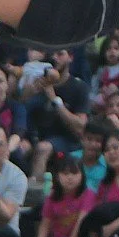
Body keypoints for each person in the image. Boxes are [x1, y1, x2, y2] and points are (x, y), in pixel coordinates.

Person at [23, 48, 90, 183]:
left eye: (60, 54)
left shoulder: (78, 87)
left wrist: (54, 99)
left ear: (70, 57)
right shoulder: (38, 84)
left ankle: (35, 193)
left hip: (67, 140)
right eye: (52, 54)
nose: (54, 58)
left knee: (43, 148)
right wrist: (28, 92)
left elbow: (80, 126)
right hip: (35, 135)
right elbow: (22, 108)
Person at [90, 36, 119, 112]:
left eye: (116, 48)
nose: (112, 52)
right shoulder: (100, 69)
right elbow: (94, 88)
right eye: (108, 49)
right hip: (102, 101)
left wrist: (117, 92)